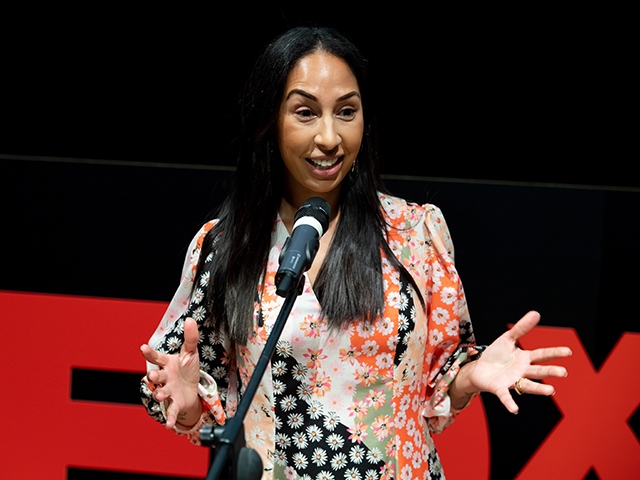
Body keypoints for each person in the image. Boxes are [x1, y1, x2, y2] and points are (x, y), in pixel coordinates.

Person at [140, 25, 572, 480]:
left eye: (346, 111)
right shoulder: (228, 245)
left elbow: (441, 379)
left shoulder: (414, 232)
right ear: (269, 120)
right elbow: (188, 399)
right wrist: (187, 403)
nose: (330, 138)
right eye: (306, 113)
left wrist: (471, 375)